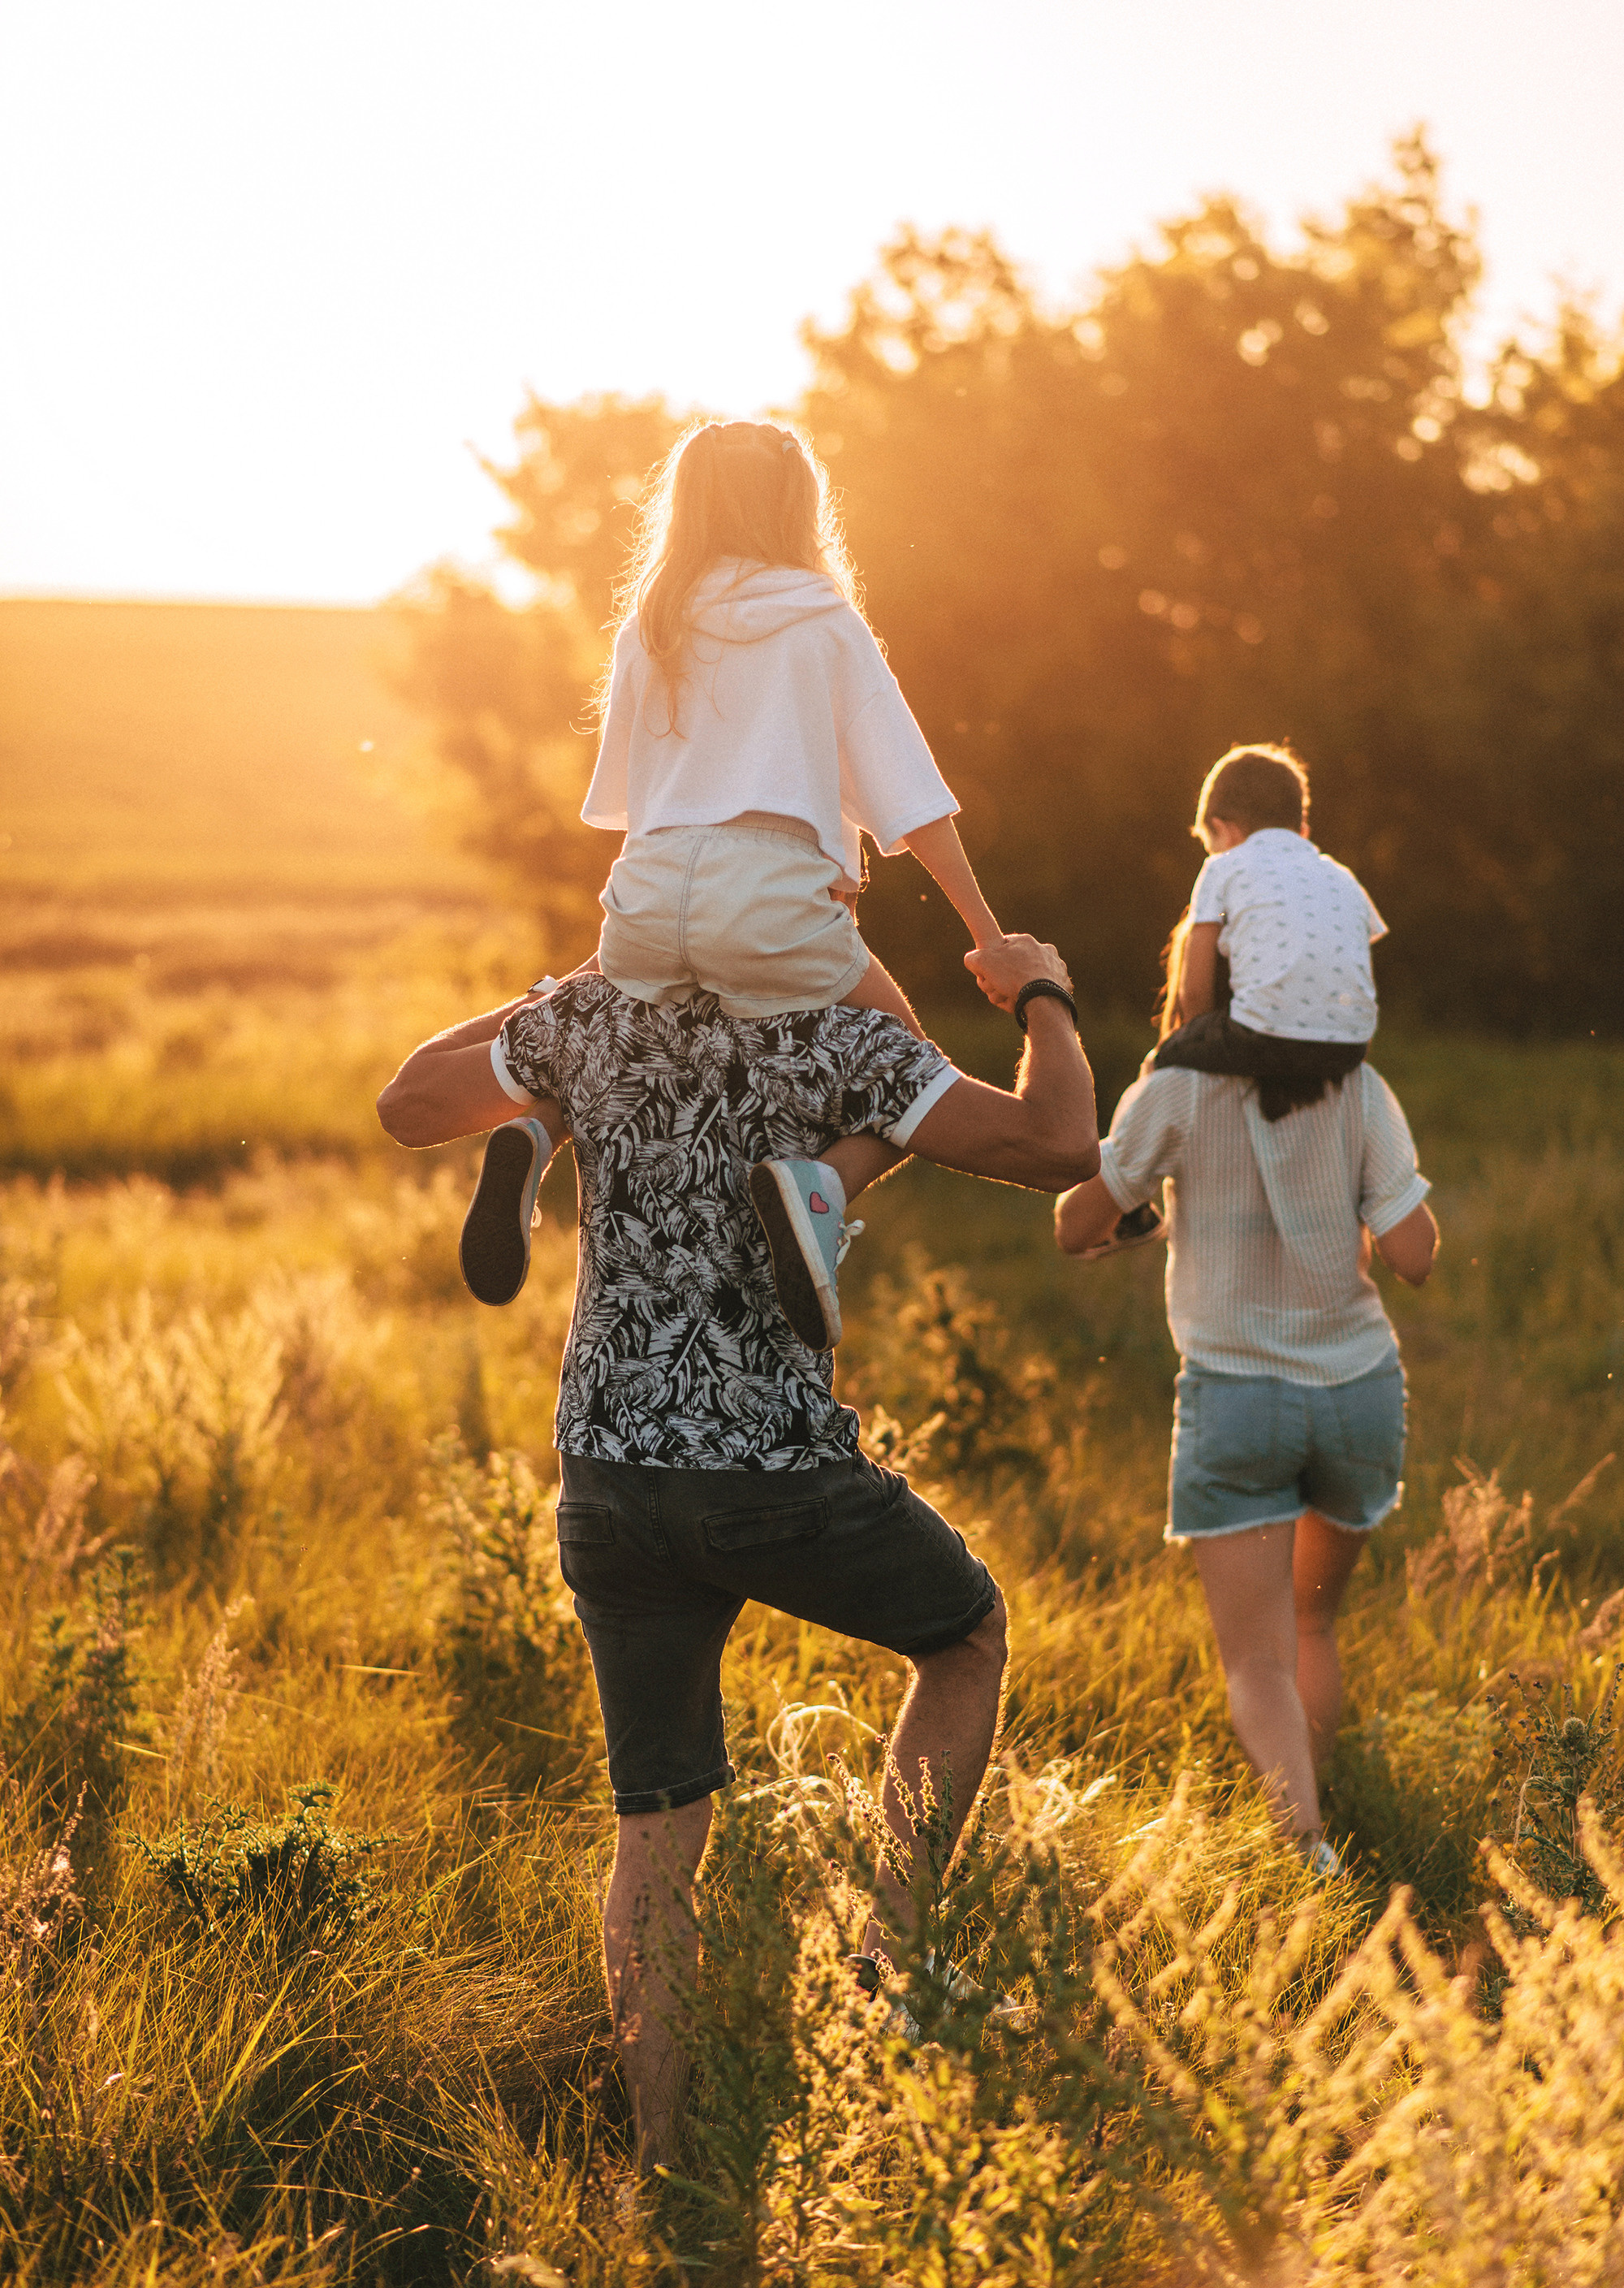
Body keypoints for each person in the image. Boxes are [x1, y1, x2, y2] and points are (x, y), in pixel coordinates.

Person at [378, 932, 1097, 2167]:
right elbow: (1059, 1144)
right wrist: (1044, 993)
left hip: (606, 1474)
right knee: (962, 1632)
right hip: (768, 1467)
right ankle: (889, 1956)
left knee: (656, 1829)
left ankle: (666, 2170)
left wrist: (557, 1004)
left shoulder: (598, 1015)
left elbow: (407, 1100)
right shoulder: (838, 1030)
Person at [456, 417, 1011, 1353]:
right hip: (770, 901)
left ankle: (537, 1134)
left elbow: (638, 806)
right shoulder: (822, 620)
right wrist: (988, 937)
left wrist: (622, 941)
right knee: (907, 1066)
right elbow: (912, 800)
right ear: (799, 507)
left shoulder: (653, 622)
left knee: (629, 1035)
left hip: (646, 894)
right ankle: (820, 1191)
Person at [1054, 1027, 1437, 1870]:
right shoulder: (1356, 1084)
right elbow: (1412, 1252)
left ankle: (1303, 1845)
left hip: (1235, 1399)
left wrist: (1139, 1208)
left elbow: (1073, 1221)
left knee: (1254, 1661)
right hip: (1356, 1392)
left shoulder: (1177, 1087)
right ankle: (1316, 1794)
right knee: (1312, 1622)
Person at [1094, 742, 1387, 1260]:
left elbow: (1194, 983)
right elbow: (1350, 949)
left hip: (1260, 1032)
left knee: (1159, 1064)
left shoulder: (1224, 869)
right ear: (1303, 830)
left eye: (1208, 841)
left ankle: (1131, 1212)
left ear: (1222, 829)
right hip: (1351, 1046)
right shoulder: (1341, 876)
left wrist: (1188, 1040)